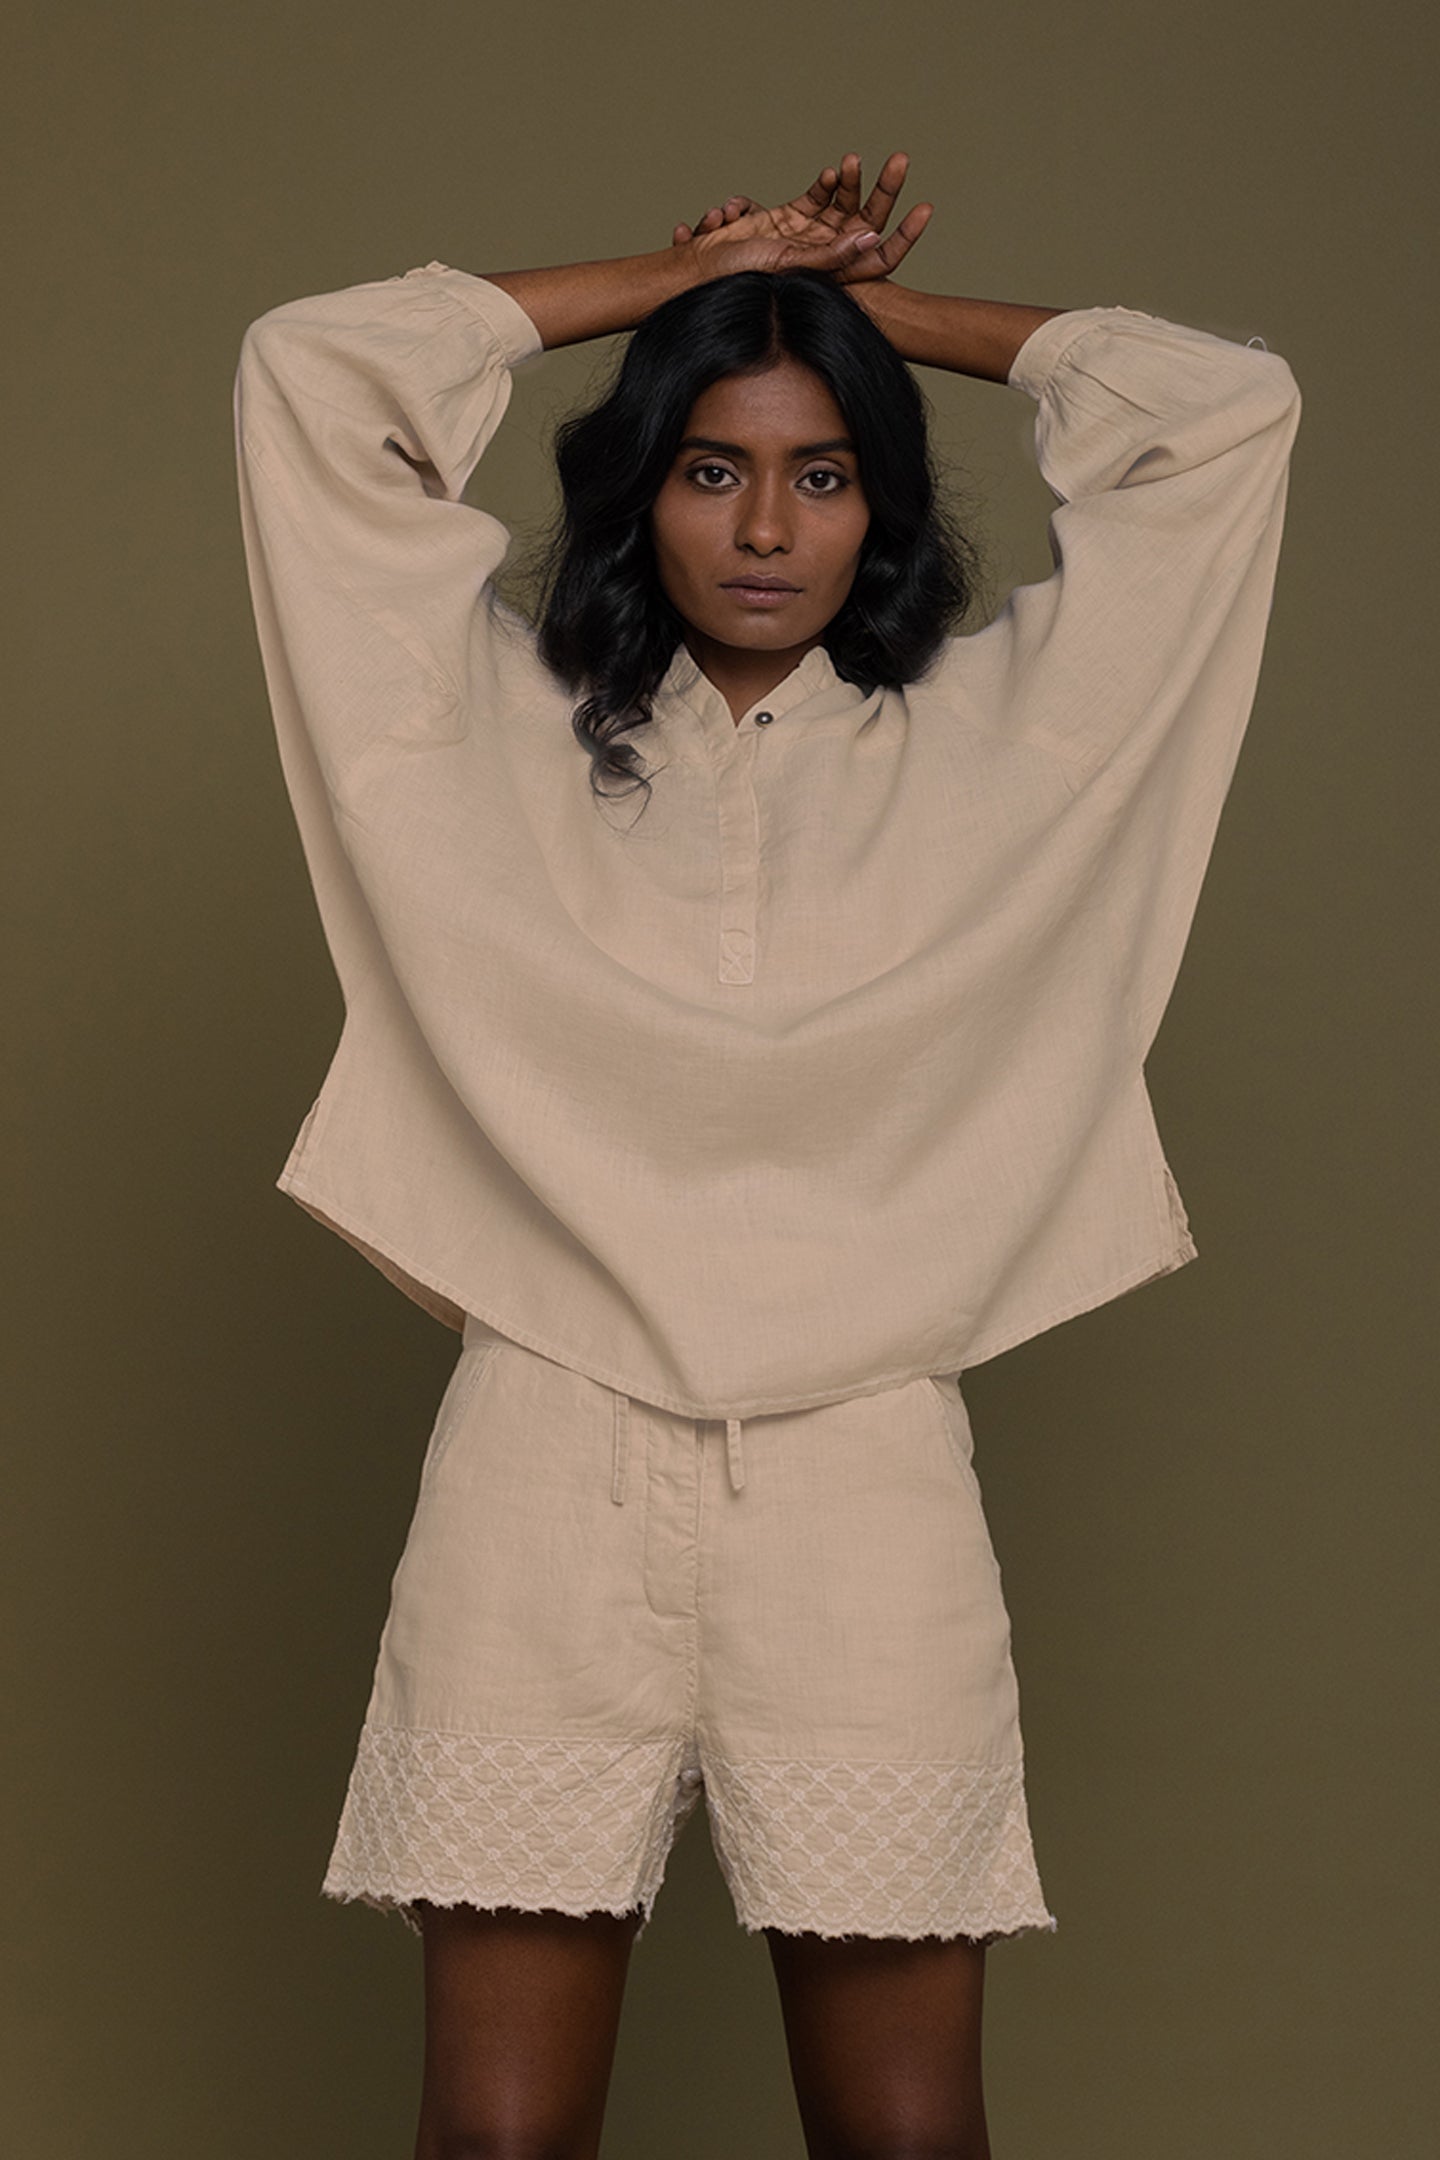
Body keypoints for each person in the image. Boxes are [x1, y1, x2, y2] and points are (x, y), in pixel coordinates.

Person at [233, 152, 1301, 2160]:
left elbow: (1224, 411)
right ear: (641, 483)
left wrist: (865, 320)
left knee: (908, 2144)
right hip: (545, 1451)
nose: (767, 523)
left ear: (884, 502)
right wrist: (690, 282)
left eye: (826, 473)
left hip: (861, 1471)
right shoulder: (476, 732)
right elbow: (312, 375)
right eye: (713, 463)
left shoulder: (1013, 751)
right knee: (494, 2146)